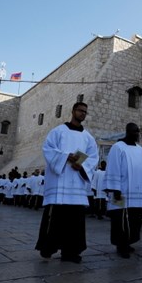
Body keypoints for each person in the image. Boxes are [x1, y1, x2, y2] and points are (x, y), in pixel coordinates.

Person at [35, 102, 98, 263]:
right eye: (80, 111)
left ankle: (71, 252)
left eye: (85, 112)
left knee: (74, 221)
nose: (82, 114)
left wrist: (82, 165)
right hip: (59, 182)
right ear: (73, 111)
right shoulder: (58, 132)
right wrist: (65, 157)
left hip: (77, 183)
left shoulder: (88, 137)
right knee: (56, 217)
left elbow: (93, 157)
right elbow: (48, 149)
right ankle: (48, 247)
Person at [104, 123, 142, 258]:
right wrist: (115, 189)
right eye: (134, 132)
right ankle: (121, 245)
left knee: (134, 220)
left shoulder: (140, 150)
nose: (136, 134)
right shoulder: (118, 147)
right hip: (121, 192)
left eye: (137, 132)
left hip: (136, 195)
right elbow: (113, 167)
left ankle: (128, 242)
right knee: (120, 220)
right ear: (127, 132)